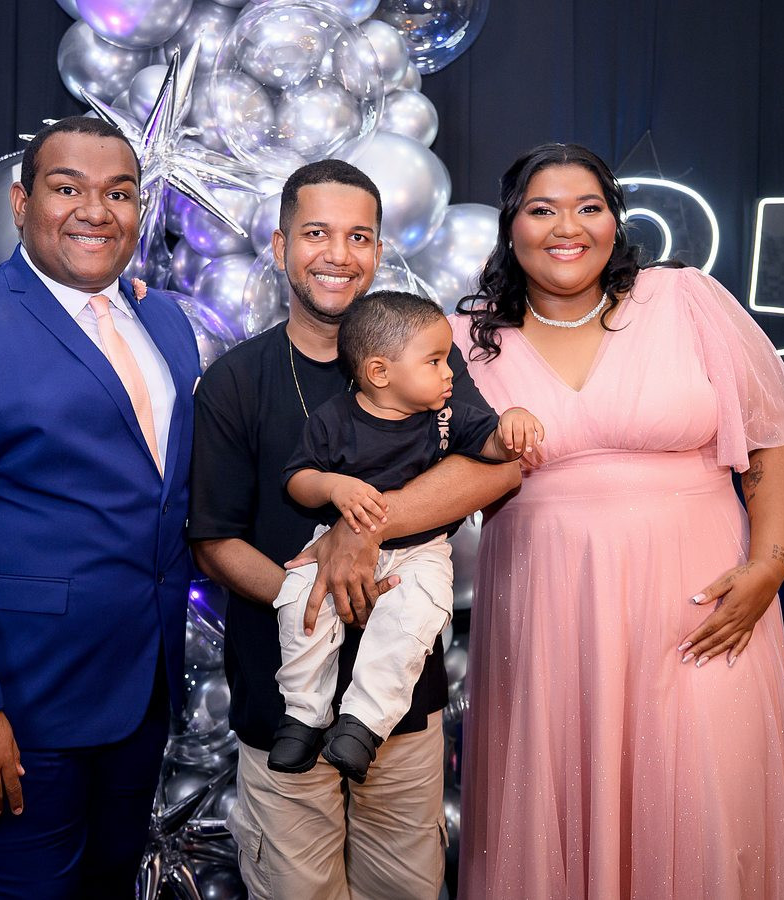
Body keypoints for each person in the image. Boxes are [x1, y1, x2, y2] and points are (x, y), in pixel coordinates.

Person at [452, 142, 784, 899]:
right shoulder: (466, 340)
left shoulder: (684, 299)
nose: (568, 227)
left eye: (589, 207)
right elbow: (425, 470)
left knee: (704, 810)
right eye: (542, 209)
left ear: (615, 221)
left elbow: (776, 436)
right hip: (549, 621)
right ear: (510, 227)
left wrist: (769, 567)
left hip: (702, 611)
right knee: (558, 804)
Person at [0, 116, 199, 899]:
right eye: (67, 188)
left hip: (138, 694)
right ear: (21, 204)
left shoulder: (164, 320)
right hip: (16, 707)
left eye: (118, 193)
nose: (95, 210)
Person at [189, 160, 520, 900]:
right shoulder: (237, 381)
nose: (338, 254)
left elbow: (496, 469)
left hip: (402, 711)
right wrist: (316, 597)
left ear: (378, 249)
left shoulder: (424, 359)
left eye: (359, 236)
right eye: (316, 233)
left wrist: (362, 533)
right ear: (280, 247)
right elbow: (213, 541)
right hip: (281, 707)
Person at [270, 290, 542, 782]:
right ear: (380, 373)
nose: (450, 373)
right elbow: (297, 480)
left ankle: (362, 724)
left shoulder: (447, 417)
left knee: (414, 617)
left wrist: (512, 424)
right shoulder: (334, 419)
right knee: (299, 604)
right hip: (334, 545)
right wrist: (332, 485)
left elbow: (495, 451)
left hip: (420, 552)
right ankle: (303, 714)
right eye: (434, 362)